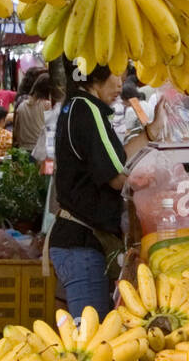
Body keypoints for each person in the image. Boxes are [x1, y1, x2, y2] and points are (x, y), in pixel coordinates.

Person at [49, 65, 164, 317]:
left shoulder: (77, 106)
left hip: (77, 241)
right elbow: (116, 177)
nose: (121, 83)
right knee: (94, 336)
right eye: (117, 75)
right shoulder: (88, 109)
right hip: (81, 244)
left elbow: (115, 157)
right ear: (97, 76)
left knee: (89, 332)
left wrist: (149, 133)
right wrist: (154, 183)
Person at [15, 74, 57, 154]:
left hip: (23, 151)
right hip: (40, 152)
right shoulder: (47, 105)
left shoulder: (21, 106)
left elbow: (17, 131)